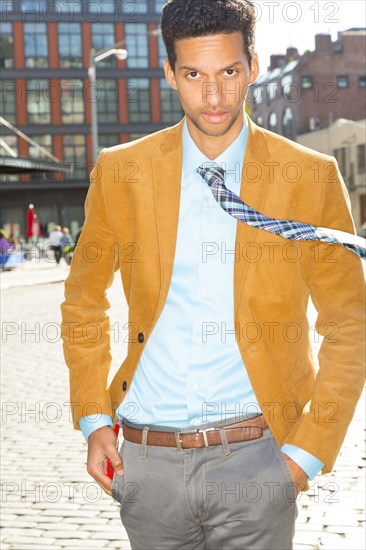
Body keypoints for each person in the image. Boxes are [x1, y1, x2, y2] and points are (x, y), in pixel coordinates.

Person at [60, 1, 365, 548]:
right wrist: (93, 419)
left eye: (228, 72)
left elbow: (349, 323)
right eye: (194, 75)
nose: (214, 95)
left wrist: (304, 456)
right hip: (147, 466)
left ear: (252, 63)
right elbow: (84, 297)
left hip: (258, 460)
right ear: (169, 73)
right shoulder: (121, 171)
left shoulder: (310, 177)